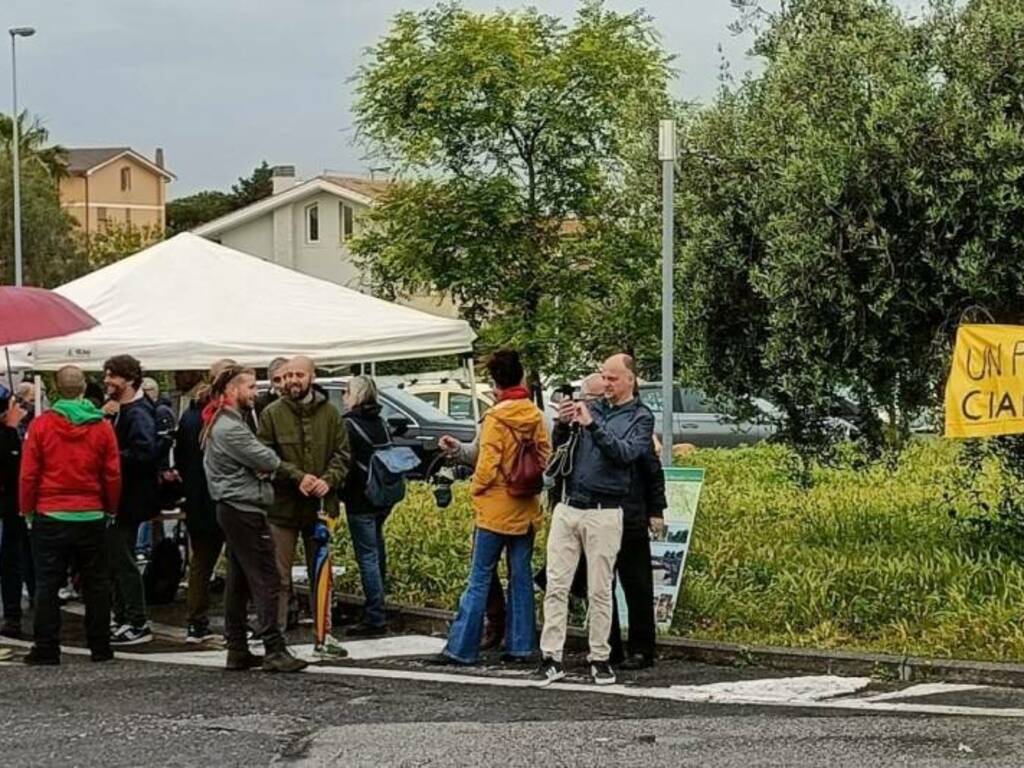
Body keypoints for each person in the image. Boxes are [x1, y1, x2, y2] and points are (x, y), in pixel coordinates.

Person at [533, 353, 654, 687]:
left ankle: (600, 657)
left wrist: (593, 425)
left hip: (606, 509)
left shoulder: (640, 418)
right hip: (570, 504)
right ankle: (550, 656)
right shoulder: (593, 407)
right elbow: (561, 449)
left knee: (601, 588)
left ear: (630, 379)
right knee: (557, 584)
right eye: (603, 376)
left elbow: (625, 454)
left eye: (613, 378)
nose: (606, 383)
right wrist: (563, 424)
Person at [434, 350, 550, 665]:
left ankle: (461, 648)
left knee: (480, 576)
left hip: (495, 510)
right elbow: (545, 457)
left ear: (495, 382)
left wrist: (475, 489)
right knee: (521, 576)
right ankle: (522, 645)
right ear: (520, 377)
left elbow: (486, 467)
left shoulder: (496, 418)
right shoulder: (536, 415)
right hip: (526, 507)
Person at [202, 364, 306, 673]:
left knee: (239, 580)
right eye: (250, 387)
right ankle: (274, 648)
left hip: (233, 507)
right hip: (244, 507)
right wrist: (265, 466)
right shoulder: (231, 427)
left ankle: (237, 647)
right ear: (233, 391)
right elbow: (266, 458)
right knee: (266, 578)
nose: (255, 393)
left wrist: (261, 465)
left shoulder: (222, 422)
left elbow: (259, 460)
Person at [19, 366, 121, 665]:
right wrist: (110, 507)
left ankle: (47, 647)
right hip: (90, 512)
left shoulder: (41, 425)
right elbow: (112, 473)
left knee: (48, 584)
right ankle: (100, 646)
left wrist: (27, 509)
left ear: (54, 388)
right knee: (96, 582)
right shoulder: (102, 426)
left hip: (51, 512)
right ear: (83, 388)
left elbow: (29, 474)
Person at [258, 356, 351, 659]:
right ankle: (276, 638)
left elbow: (343, 454)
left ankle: (324, 635)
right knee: (279, 576)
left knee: (322, 574)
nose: (292, 381)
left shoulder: (331, 413)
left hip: (321, 507)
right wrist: (296, 476)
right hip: (283, 508)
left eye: (299, 374)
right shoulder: (271, 414)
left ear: (312, 376)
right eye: (287, 376)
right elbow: (265, 457)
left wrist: (329, 480)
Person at [103, 354, 159, 646]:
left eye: (112, 376)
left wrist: (109, 458)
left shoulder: (137, 413)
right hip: (125, 497)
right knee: (117, 558)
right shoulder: (125, 409)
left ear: (128, 379)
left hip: (129, 498)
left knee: (122, 559)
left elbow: (144, 453)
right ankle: (125, 617)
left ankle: (136, 620)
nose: (107, 381)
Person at [176, 362, 229, 643]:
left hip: (198, 497)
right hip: (223, 498)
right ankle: (234, 622)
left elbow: (182, 459)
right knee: (235, 561)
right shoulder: (222, 417)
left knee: (201, 563)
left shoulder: (190, 415)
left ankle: (196, 622)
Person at [339, 376, 395, 638]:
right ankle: (378, 605)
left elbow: (344, 463)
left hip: (359, 497)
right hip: (383, 495)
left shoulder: (348, 425)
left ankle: (375, 615)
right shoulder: (380, 422)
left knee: (368, 556)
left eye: (346, 391)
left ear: (356, 395)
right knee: (377, 549)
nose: (343, 396)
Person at [608, 439, 666, 670]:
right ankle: (608, 647)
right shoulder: (589, 421)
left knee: (638, 586)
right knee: (601, 586)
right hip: (597, 515)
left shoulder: (638, 422)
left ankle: (642, 649)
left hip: (631, 515)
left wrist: (656, 509)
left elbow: (653, 471)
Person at [0, 388, 33, 639]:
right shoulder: (10, 433)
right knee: (13, 558)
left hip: (16, 504)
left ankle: (16, 613)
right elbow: (13, 467)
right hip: (12, 503)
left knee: (19, 557)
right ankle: (12, 614)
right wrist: (10, 430)